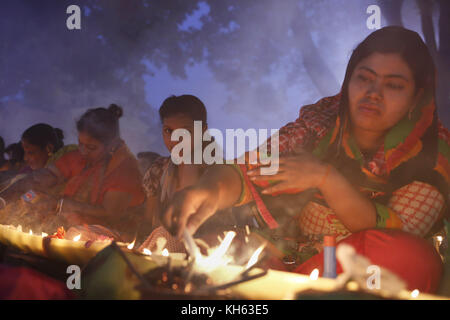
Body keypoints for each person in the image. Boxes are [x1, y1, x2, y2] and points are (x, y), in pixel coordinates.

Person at [160, 27, 449, 293]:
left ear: (417, 96)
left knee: (409, 255)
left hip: (362, 270)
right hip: (293, 261)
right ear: (349, 79)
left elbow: (400, 231)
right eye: (364, 78)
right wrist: (207, 191)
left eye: (393, 85)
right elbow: (254, 167)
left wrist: (325, 178)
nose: (373, 94)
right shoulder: (321, 121)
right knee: (219, 252)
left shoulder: (434, 152)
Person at [0, 104, 145, 240]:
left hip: (109, 238)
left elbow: (111, 213)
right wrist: (4, 199)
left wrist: (59, 205)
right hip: (69, 226)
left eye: (91, 147)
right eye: (80, 144)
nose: (83, 151)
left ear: (111, 144)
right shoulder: (78, 157)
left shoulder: (125, 168)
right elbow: (39, 179)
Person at [139, 95, 237, 252]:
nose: (175, 140)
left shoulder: (218, 171)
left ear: (203, 131)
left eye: (185, 132)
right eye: (168, 131)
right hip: (160, 248)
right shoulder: (158, 170)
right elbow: (150, 220)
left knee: (170, 237)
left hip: (208, 249)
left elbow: (218, 228)